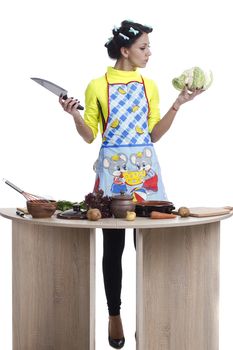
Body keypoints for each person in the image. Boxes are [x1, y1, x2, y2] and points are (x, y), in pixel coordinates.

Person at [59, 20, 204, 349]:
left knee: (150, 245)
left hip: (146, 172)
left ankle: (151, 313)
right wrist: (75, 117)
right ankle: (114, 314)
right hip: (113, 174)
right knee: (114, 246)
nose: (149, 53)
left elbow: (153, 135)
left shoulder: (149, 86)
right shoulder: (97, 86)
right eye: (143, 47)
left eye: (149, 47)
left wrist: (178, 103)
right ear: (124, 51)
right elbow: (89, 136)